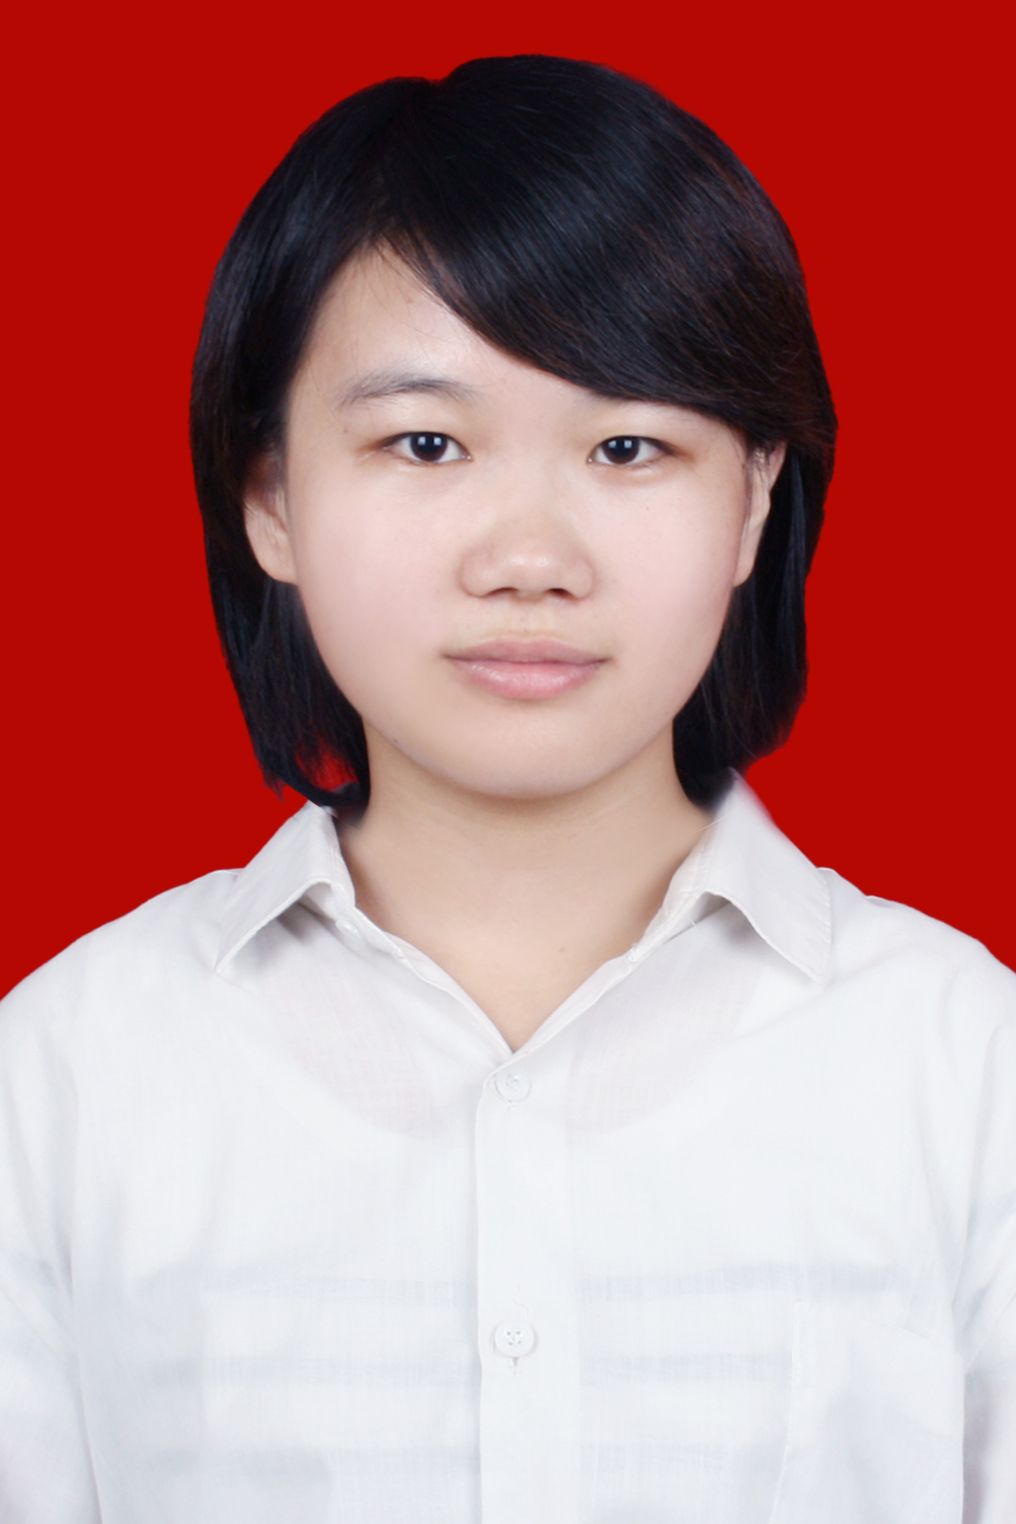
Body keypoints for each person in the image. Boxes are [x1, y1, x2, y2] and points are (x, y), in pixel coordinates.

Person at [1, 52, 1012, 1524]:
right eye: (425, 442)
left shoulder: (966, 1070)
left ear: (752, 499)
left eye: (628, 445)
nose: (529, 557)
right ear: (270, 495)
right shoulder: (67, 1076)